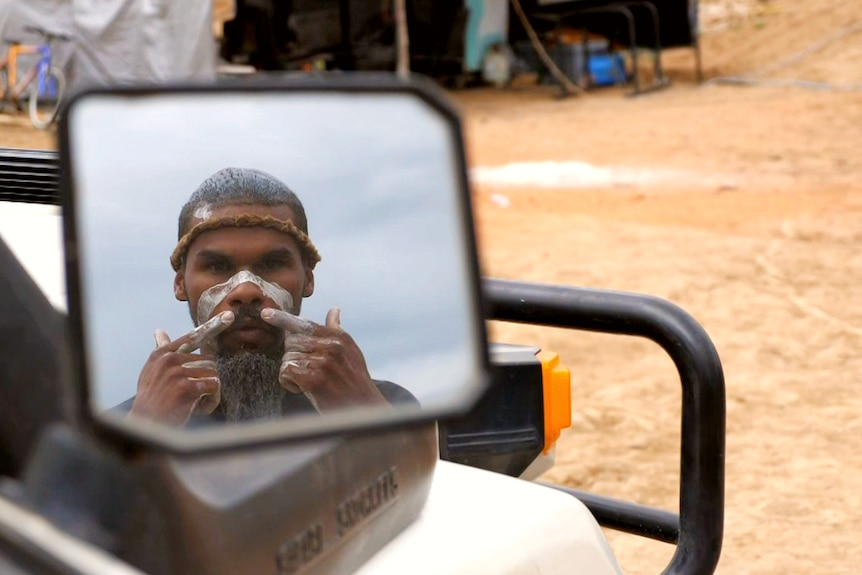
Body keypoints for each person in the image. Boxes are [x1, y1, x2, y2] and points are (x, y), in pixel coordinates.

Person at [121, 167, 416, 426]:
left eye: (272, 264)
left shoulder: (387, 405)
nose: (246, 290)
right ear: (180, 284)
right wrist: (144, 432)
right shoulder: (120, 430)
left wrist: (364, 414)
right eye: (216, 267)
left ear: (308, 278)